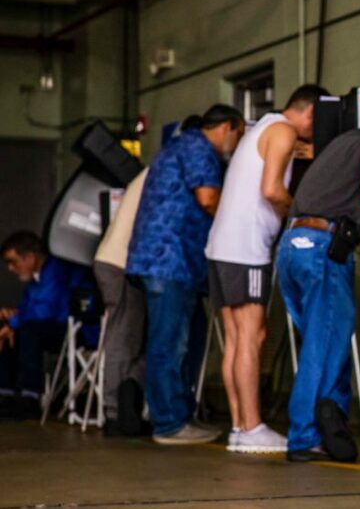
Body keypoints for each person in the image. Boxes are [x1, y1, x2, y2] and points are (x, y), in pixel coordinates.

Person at [205, 85, 327, 455]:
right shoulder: (284, 132)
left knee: (235, 338)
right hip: (246, 247)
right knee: (252, 336)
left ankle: (240, 427)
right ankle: (254, 427)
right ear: (310, 113)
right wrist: (299, 215)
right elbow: (272, 189)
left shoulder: (262, 128)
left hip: (220, 245)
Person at [126, 104, 245, 445]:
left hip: (167, 260)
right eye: (238, 136)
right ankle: (168, 423)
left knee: (183, 338)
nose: (236, 146)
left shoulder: (179, 146)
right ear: (227, 127)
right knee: (170, 342)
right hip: (169, 260)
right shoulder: (199, 147)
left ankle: (175, 414)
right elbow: (208, 198)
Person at [277, 117, 360, 462]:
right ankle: (305, 437)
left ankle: (330, 425)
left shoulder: (347, 140)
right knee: (323, 348)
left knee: (322, 342)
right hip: (322, 246)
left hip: (292, 243)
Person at [0, 232, 95, 420]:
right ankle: (5, 393)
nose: (11, 268)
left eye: (13, 261)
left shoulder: (57, 270)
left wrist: (14, 323)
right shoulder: (34, 280)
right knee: (7, 334)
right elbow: (28, 310)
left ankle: (30, 396)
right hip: (53, 329)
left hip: (80, 331)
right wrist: (11, 323)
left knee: (27, 331)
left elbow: (46, 311)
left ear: (30, 257)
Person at [93, 167, 150, 435]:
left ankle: (124, 407)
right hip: (120, 263)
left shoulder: (149, 171)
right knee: (123, 338)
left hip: (114, 259)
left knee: (129, 337)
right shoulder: (164, 170)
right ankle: (115, 411)